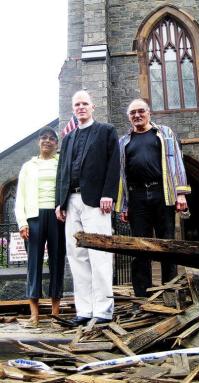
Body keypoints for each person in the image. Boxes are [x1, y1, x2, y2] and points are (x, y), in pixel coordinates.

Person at [55, 90, 120, 326]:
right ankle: (84, 310)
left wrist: (108, 194)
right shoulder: (68, 138)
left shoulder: (106, 131)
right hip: (71, 202)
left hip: (96, 203)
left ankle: (102, 311)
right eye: (77, 104)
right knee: (76, 256)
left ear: (92, 107)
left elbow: (114, 164)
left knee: (100, 256)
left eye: (84, 103)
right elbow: (62, 172)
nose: (81, 107)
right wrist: (59, 203)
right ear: (73, 109)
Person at [115, 98, 191, 297]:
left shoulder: (164, 133)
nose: (137, 115)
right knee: (139, 248)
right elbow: (121, 175)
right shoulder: (123, 142)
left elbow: (177, 164)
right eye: (133, 113)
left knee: (167, 244)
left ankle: (170, 292)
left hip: (162, 193)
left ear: (149, 113)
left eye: (141, 111)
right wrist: (124, 206)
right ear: (129, 117)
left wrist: (180, 193)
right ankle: (143, 295)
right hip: (136, 196)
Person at [15, 127, 65, 327]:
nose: (47, 141)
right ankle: (34, 315)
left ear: (56, 143)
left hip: (56, 216)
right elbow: (21, 197)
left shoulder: (61, 164)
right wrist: (22, 222)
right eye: (44, 138)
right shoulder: (28, 166)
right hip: (34, 218)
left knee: (57, 262)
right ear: (38, 142)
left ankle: (55, 314)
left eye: (52, 138)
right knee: (33, 264)